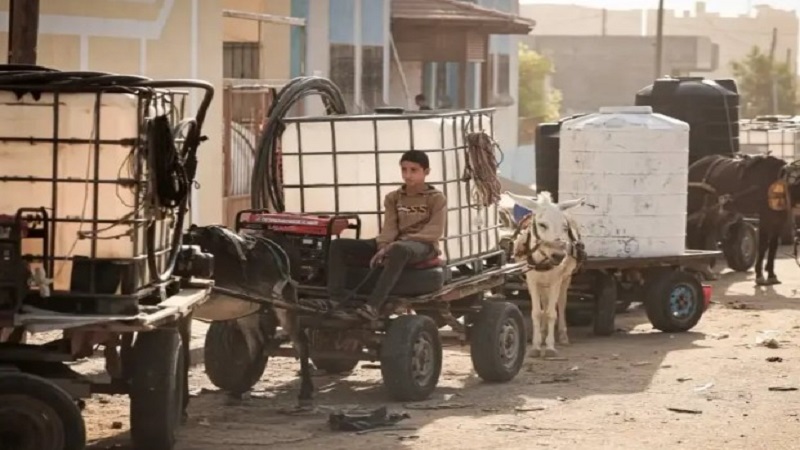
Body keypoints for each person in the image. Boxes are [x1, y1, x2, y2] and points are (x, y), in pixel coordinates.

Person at [327, 149, 447, 321]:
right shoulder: (394, 197)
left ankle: (373, 305)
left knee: (399, 249)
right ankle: (336, 299)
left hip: (423, 245)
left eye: (413, 170)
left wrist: (396, 244)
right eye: (404, 170)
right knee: (338, 245)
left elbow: (434, 231)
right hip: (394, 242)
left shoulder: (436, 198)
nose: (407, 175)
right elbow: (389, 227)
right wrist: (383, 246)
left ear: (426, 172)